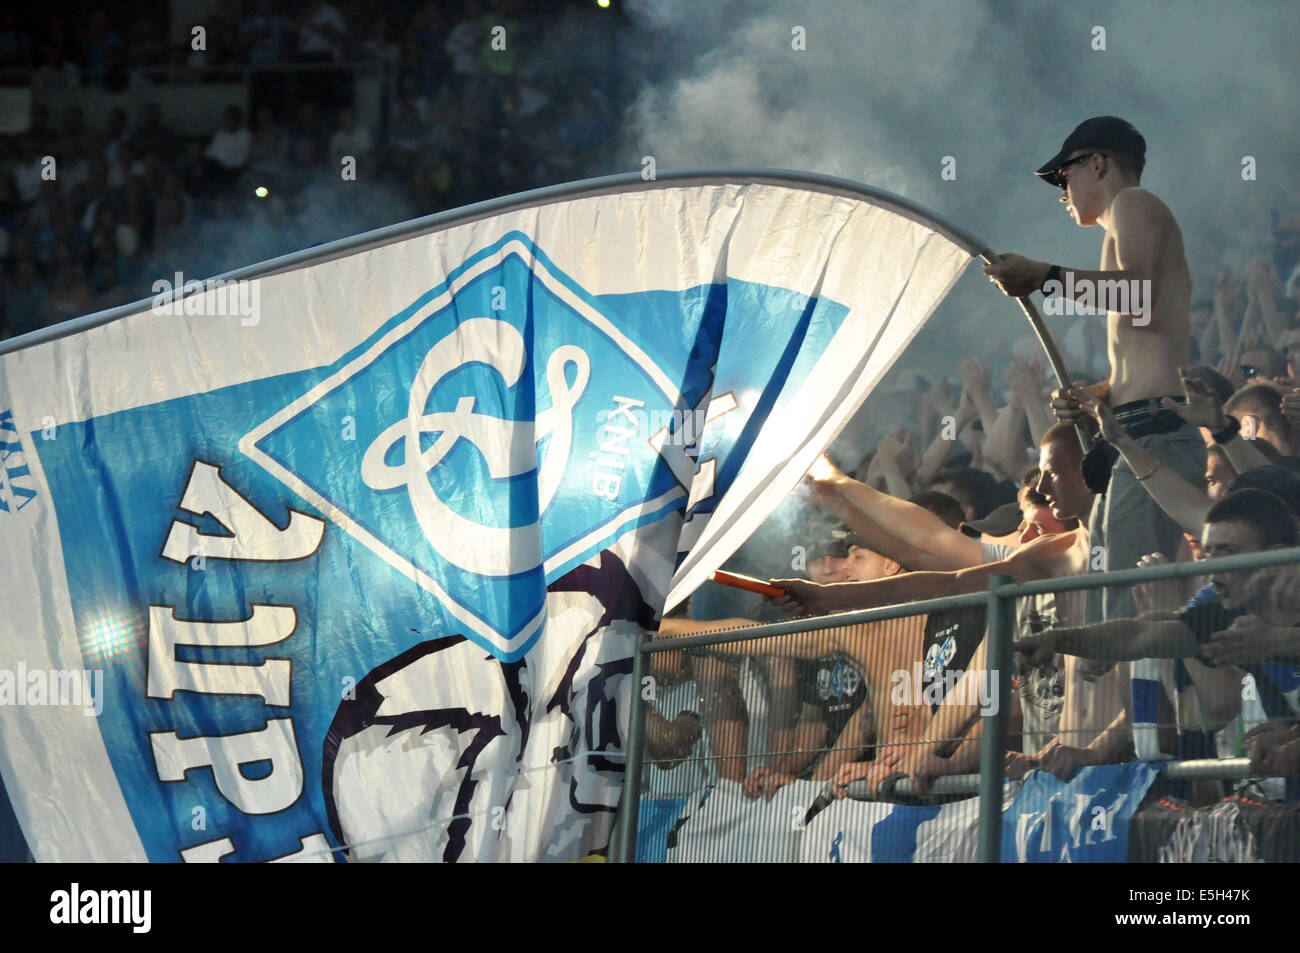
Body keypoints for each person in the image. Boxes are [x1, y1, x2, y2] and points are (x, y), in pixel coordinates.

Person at [984, 116, 1205, 622]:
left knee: (1128, 616)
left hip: (1155, 433)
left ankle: (1137, 699)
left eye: (1064, 177)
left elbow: (1140, 301)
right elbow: (1150, 342)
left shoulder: (1133, 204)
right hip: (1139, 431)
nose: (1063, 193)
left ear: (1097, 163)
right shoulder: (1128, 222)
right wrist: (1098, 396)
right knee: (1118, 606)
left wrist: (1044, 276)